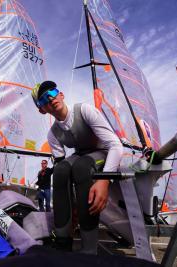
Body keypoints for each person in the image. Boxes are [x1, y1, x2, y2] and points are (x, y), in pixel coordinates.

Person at [31, 81, 123, 254]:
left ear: (61, 94)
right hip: (83, 155)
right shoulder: (52, 134)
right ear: (42, 110)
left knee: (81, 167)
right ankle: (63, 242)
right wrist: (71, 204)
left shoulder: (84, 110)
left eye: (52, 92)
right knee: (59, 171)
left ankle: (89, 249)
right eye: (43, 99)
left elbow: (116, 146)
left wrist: (104, 180)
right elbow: (61, 168)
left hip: (103, 152)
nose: (50, 98)